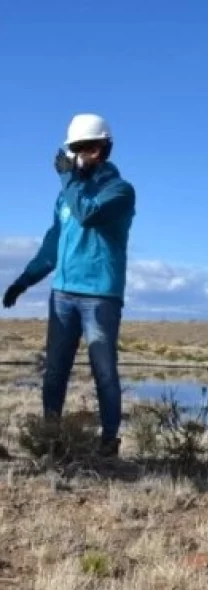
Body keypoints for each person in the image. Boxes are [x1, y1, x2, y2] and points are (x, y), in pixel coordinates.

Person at [2, 113, 136, 456]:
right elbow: (51, 247)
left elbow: (88, 213)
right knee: (55, 371)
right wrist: (23, 282)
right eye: (75, 148)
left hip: (100, 296)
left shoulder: (119, 191)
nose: (80, 154)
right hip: (62, 294)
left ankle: (108, 442)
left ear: (104, 148)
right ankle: (51, 437)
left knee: (103, 370)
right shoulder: (66, 196)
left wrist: (67, 178)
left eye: (87, 147)